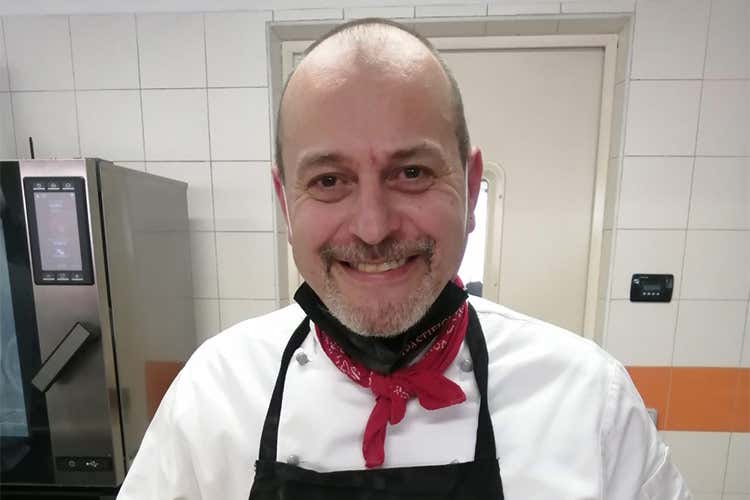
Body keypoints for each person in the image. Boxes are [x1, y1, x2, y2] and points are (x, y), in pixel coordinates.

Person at [118, 18, 691, 499]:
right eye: (329, 180)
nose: (373, 228)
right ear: (285, 204)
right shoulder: (213, 397)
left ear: (471, 189)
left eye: (412, 172)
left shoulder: (589, 401)